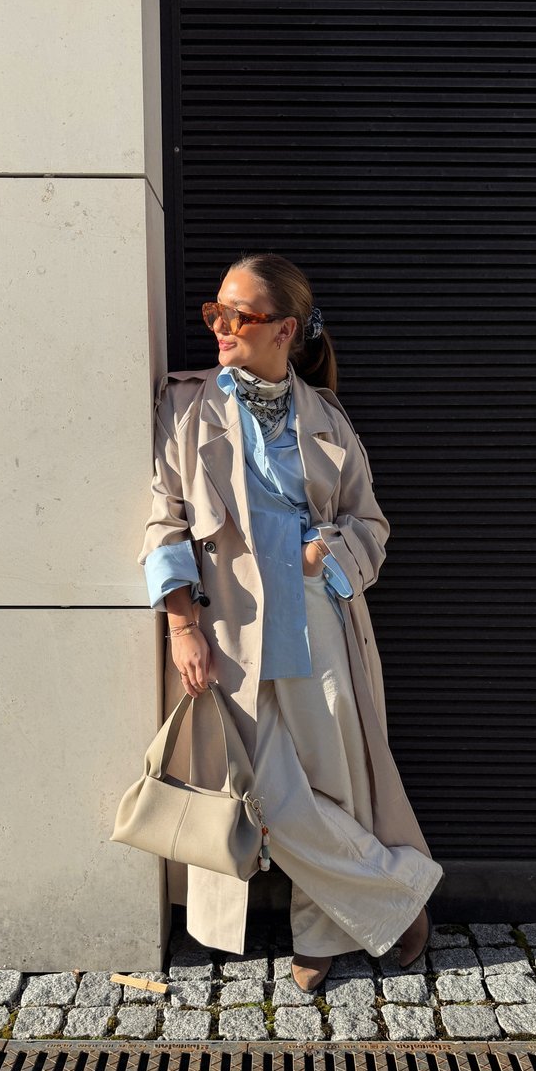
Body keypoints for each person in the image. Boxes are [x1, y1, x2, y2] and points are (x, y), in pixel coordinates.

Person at [139, 252, 443, 991]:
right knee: (262, 795)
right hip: (230, 625)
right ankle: (400, 902)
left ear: (283, 330)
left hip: (317, 616)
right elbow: (164, 523)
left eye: (236, 315)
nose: (218, 326)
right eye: (214, 312)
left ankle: (321, 930)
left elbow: (371, 524)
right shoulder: (186, 406)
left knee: (330, 781)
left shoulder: (327, 416)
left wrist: (324, 553)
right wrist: (182, 624)